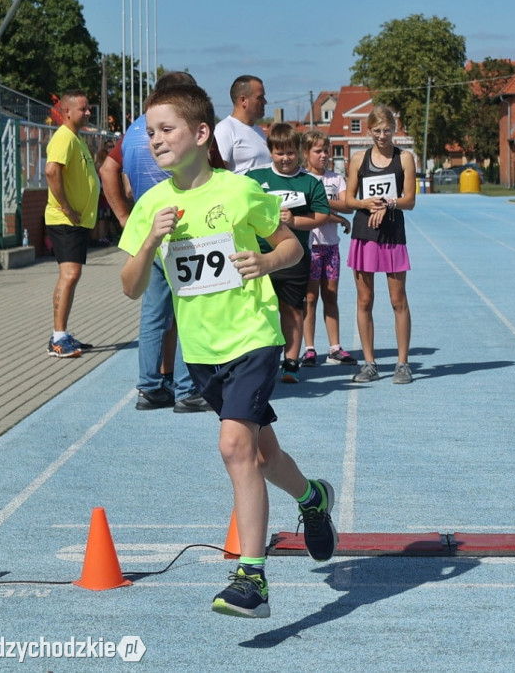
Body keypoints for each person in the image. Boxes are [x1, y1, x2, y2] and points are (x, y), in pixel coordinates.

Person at [119, 84, 338, 619]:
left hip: (254, 339)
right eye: (149, 132)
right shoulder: (152, 204)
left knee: (234, 447)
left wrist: (266, 263)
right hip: (202, 353)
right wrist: (149, 241)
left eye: (166, 129)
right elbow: (129, 286)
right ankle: (312, 499)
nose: (155, 140)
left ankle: (252, 580)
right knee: (262, 455)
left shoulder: (239, 192)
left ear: (200, 134)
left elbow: (289, 244)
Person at [100, 71, 210, 413]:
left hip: (148, 223)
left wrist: (123, 217)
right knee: (185, 309)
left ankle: (149, 387)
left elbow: (107, 169)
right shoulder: (183, 127)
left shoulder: (133, 132)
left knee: (152, 315)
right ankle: (187, 388)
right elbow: (212, 170)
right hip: (184, 222)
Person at [245, 124, 330, 383]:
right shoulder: (253, 178)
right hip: (258, 257)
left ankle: (291, 361)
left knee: (292, 309)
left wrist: (293, 222)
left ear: (299, 153)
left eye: (290, 153)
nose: (285, 159)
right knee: (256, 310)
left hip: (294, 257)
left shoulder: (310, 181)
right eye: (280, 153)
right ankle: (257, 362)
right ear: (270, 152)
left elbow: (321, 216)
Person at [344, 105, 417, 384]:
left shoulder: (405, 159)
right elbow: (350, 199)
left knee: (398, 300)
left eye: (387, 130)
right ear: (369, 131)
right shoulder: (359, 159)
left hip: (392, 235)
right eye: (377, 131)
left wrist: (389, 203)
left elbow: (410, 200)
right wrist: (365, 203)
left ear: (394, 129)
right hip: (364, 234)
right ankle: (369, 363)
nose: (382, 136)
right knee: (365, 300)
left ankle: (402, 363)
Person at [44, 89, 100, 358]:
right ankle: (57, 338)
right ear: (67, 112)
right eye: (83, 109)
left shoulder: (76, 139)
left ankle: (62, 333)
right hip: (64, 219)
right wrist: (65, 206)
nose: (88, 112)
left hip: (76, 222)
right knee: (69, 275)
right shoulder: (63, 137)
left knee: (72, 276)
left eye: (88, 108)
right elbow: (51, 171)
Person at [300, 129, 356, 368]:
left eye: (326, 151)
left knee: (330, 296)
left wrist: (323, 201)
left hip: (331, 247)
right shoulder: (301, 178)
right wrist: (337, 216)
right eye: (318, 151)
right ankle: (309, 348)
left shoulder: (336, 179)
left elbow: (347, 205)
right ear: (306, 153)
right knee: (310, 298)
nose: (324, 155)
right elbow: (310, 211)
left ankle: (334, 347)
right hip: (311, 246)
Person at [212, 75, 272, 173]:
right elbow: (218, 174)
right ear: (243, 100)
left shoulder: (259, 131)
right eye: (260, 97)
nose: (265, 102)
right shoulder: (225, 130)